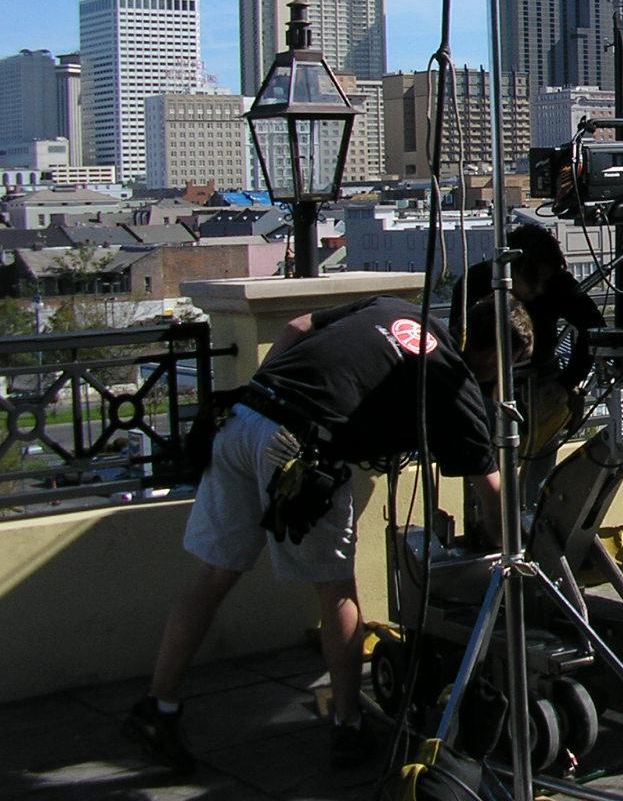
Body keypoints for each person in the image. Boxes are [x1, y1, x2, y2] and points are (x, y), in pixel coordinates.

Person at [124, 294, 517, 774]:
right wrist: (510, 549)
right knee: (335, 590)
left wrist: (268, 391)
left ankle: (157, 707)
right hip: (299, 449)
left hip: (242, 418)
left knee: (213, 574)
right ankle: (348, 725)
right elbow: (492, 490)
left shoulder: (398, 308)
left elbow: (296, 325)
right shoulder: (454, 381)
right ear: (497, 358)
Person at [451, 221, 601, 490]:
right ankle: (491, 524)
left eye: (546, 281)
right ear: (512, 267)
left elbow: (593, 326)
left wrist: (568, 382)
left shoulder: (556, 284)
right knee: (487, 473)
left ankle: (530, 522)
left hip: (542, 384)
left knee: (538, 478)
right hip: (487, 389)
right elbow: (459, 347)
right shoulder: (475, 283)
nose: (540, 289)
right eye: (534, 280)